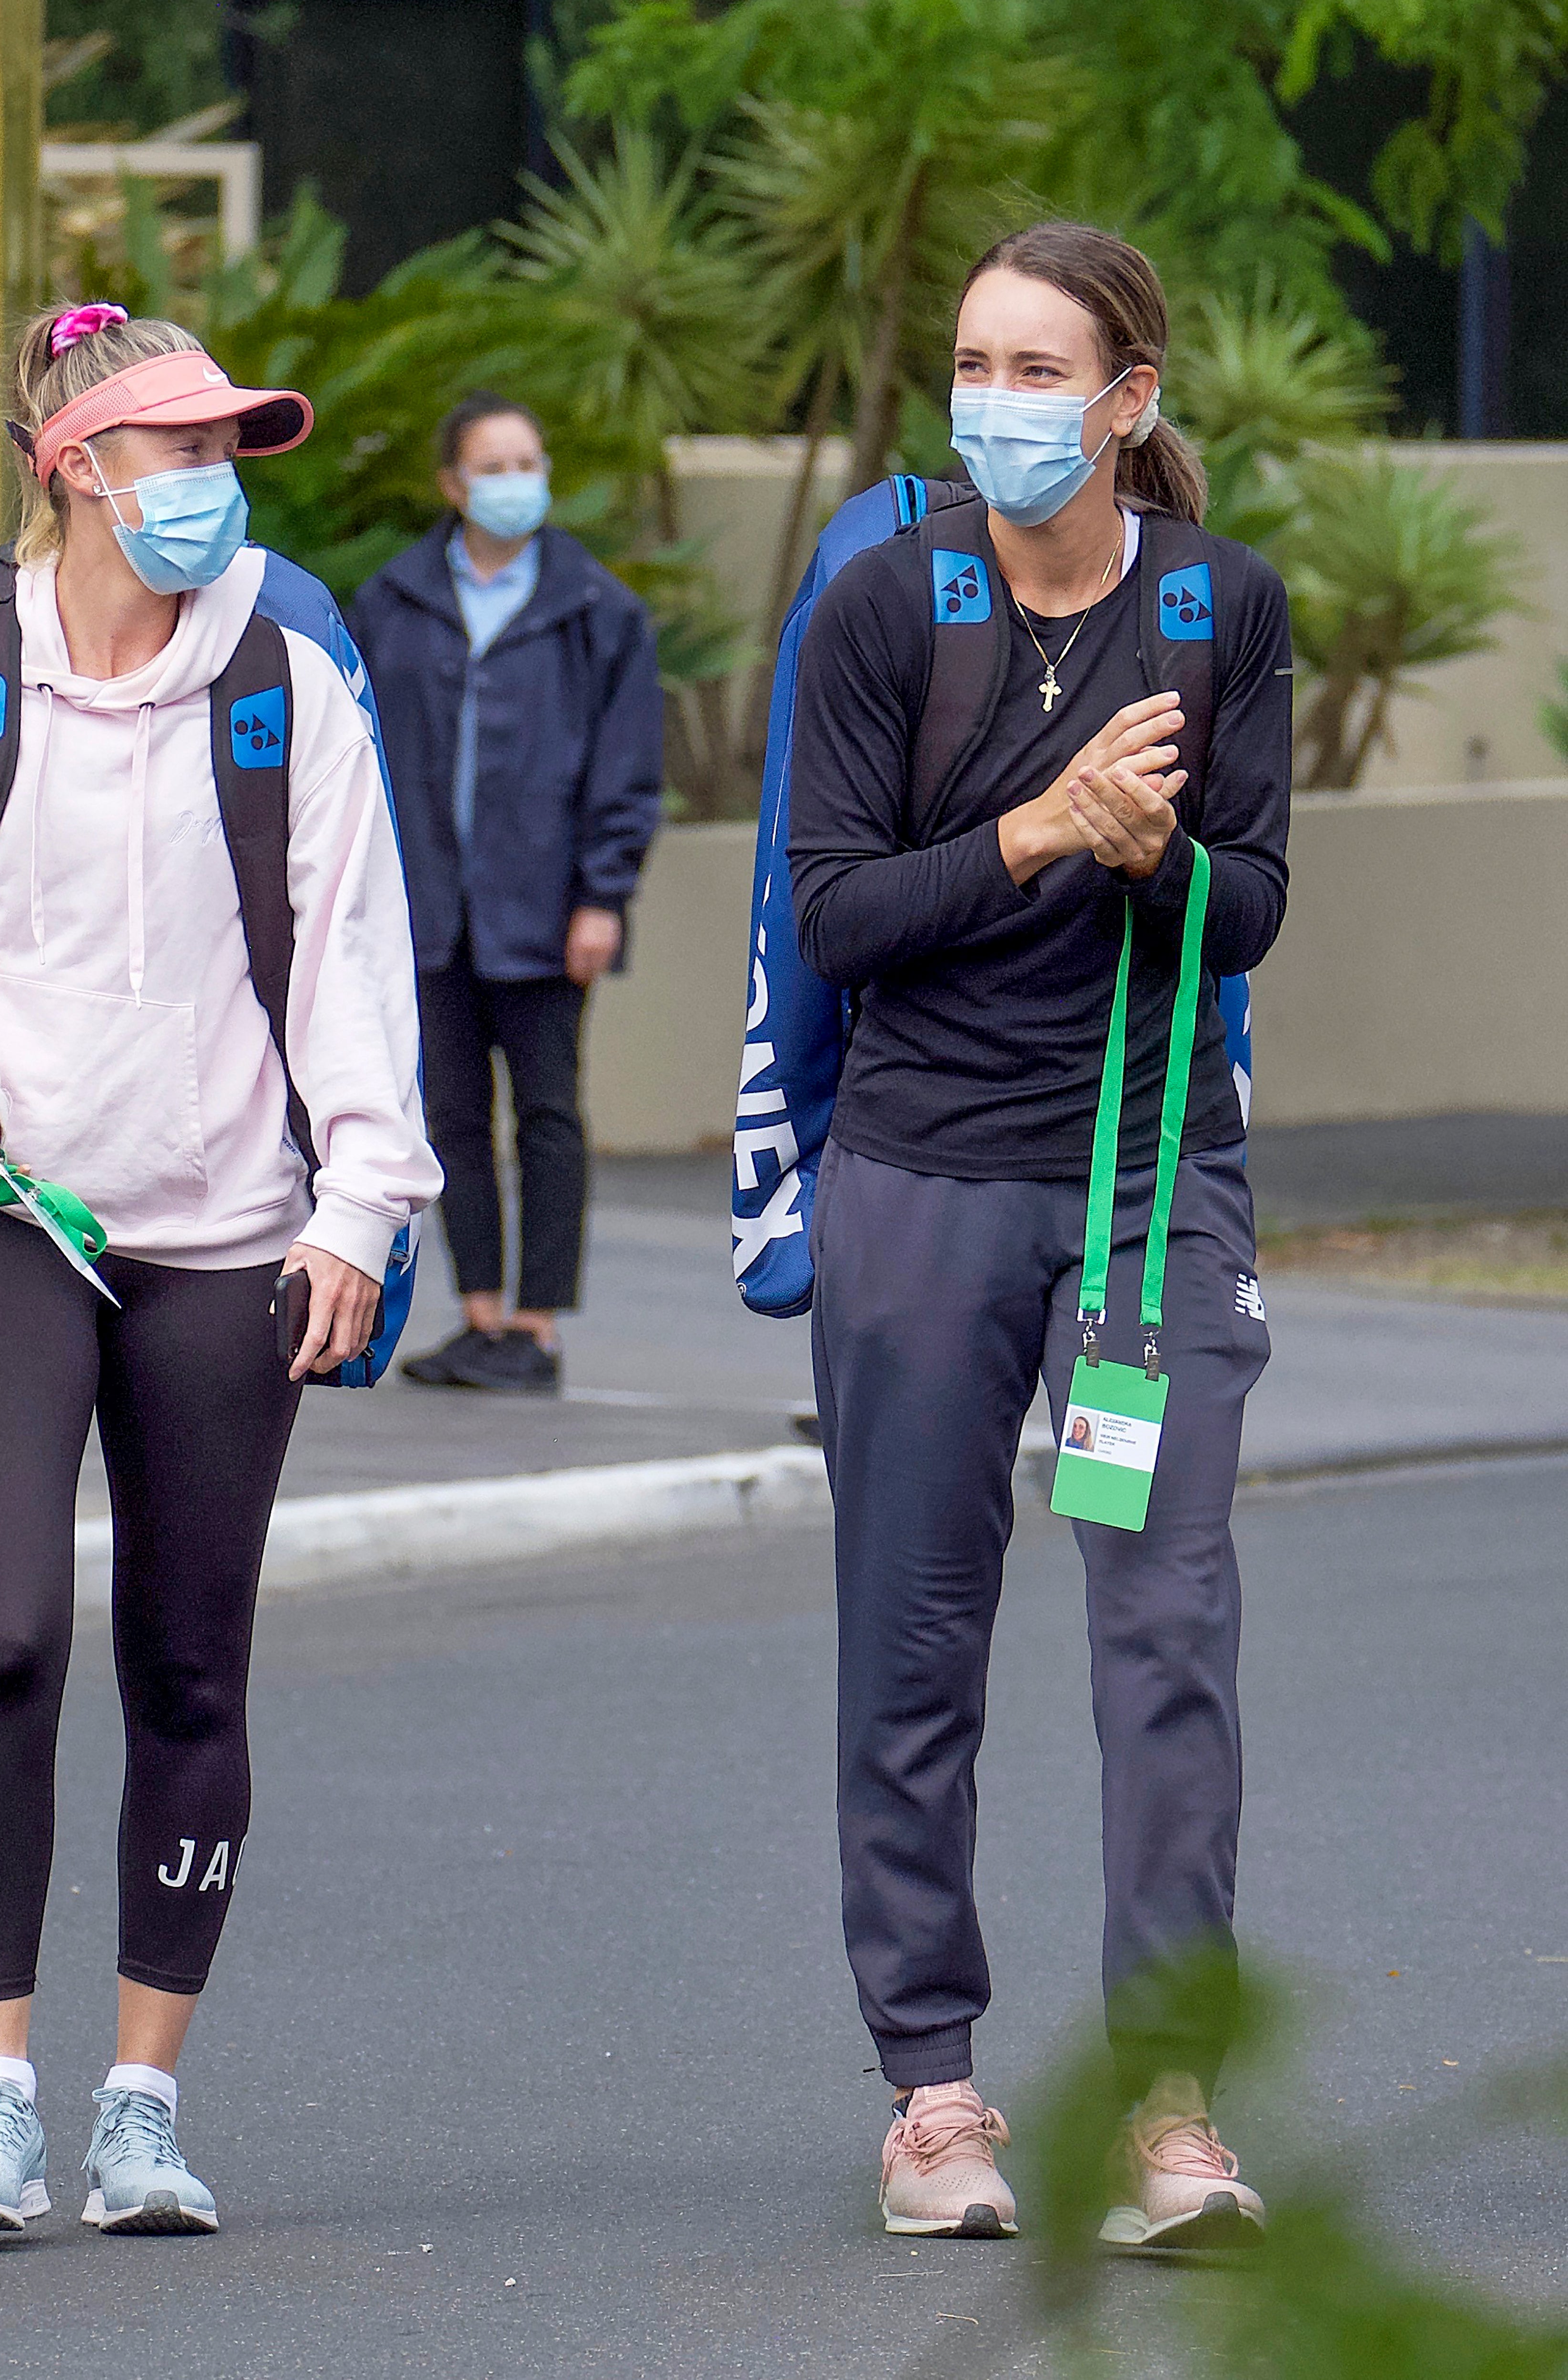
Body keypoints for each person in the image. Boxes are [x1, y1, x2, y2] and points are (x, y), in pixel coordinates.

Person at [0, 303, 439, 2236]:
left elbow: (354, 962)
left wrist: (361, 1206)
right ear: (69, 463)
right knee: (2, 1632)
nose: (204, 485)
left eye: (226, 448)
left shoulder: (290, 678)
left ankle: (142, 2107)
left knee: (191, 1663)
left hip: (226, 1227)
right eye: (168, 449)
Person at [789, 224, 1288, 2249]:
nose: (990, 399)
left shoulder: (1215, 605)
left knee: (1167, 1631)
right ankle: (932, 2092)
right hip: (921, 1175)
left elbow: (1249, 905)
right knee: (912, 1636)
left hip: (1147, 1186)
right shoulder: (881, 605)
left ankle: (1169, 2103)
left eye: (1034, 367)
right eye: (971, 360)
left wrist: (1159, 848)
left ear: (1125, 403)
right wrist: (1033, 827)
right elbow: (831, 916)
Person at [347, 392, 662, 1395]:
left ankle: (537, 1324)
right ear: (452, 484)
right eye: (496, 465)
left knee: (549, 1113)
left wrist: (602, 895)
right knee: (449, 1118)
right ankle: (480, 1314)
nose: (518, 482)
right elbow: (355, 759)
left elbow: (627, 768)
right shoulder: (391, 604)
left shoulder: (598, 610)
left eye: (532, 462)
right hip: (428, 914)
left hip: (548, 914)